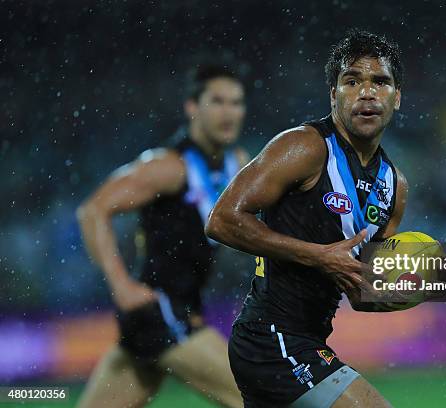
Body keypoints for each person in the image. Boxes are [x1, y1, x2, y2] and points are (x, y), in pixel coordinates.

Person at [206, 30, 408, 407]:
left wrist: (400, 292)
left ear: (397, 98)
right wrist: (318, 255)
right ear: (334, 95)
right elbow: (221, 220)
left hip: (307, 340)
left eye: (380, 82)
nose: (367, 92)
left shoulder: (393, 187)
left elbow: (360, 292)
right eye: (352, 81)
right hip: (271, 338)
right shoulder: (304, 147)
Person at [76, 64, 248, 408]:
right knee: (255, 396)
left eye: (236, 102)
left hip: (174, 313)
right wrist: (121, 284)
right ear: (192, 107)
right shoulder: (168, 165)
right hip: (159, 311)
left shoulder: (237, 163)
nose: (229, 113)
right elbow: (93, 211)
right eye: (217, 101)